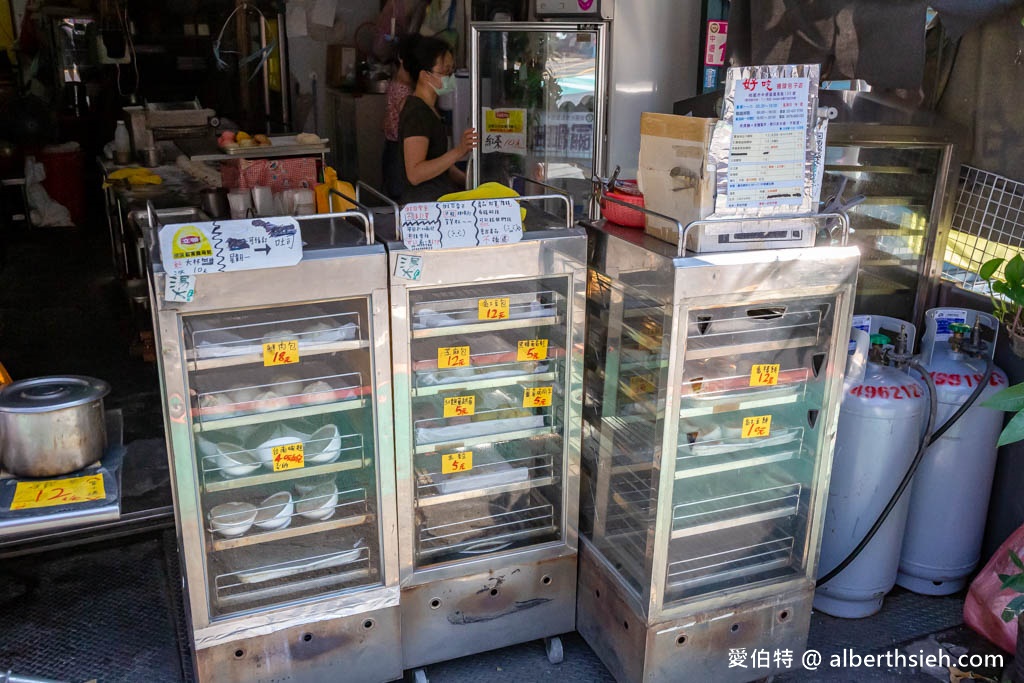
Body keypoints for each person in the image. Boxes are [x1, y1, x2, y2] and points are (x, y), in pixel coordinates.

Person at [398, 36, 478, 203]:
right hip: (422, 207)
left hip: (436, 200)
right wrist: (459, 151)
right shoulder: (417, 113)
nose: (450, 77)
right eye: (445, 72)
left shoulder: (431, 110)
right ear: (425, 75)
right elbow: (415, 174)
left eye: (451, 71)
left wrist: (470, 183)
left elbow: (440, 164)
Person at [382, 35, 419, 199]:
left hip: (393, 147)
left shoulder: (397, 85)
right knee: (399, 195)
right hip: (399, 150)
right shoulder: (404, 92)